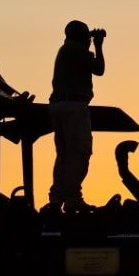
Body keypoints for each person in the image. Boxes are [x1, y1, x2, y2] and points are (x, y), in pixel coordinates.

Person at [46, 20, 106, 213]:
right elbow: (99, 69)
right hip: (74, 106)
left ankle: (56, 199)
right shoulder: (76, 50)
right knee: (79, 152)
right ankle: (73, 199)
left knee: (63, 155)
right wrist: (98, 45)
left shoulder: (65, 50)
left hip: (58, 105)